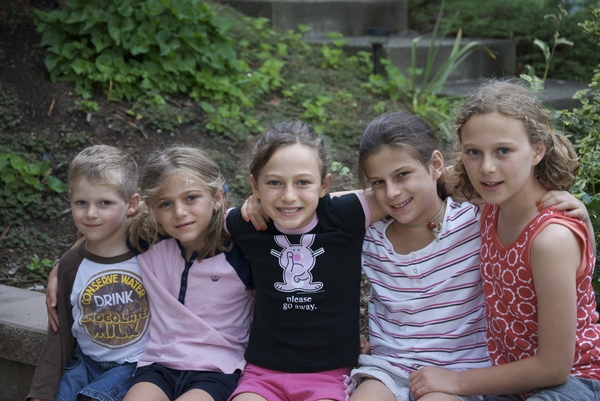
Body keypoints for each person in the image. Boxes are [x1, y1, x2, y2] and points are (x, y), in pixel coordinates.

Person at [407, 79, 600, 400]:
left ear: (538, 149)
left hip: (575, 383)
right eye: (473, 152)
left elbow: (555, 367)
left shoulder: (550, 239)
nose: (486, 167)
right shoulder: (488, 199)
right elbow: (408, 187)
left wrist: (458, 381)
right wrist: (318, 204)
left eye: (504, 151)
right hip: (508, 376)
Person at [224, 120, 381, 401]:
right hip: (262, 374)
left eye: (303, 182)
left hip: (329, 375)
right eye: (274, 183)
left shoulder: (346, 216)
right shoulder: (247, 222)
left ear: (325, 184)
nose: (288, 196)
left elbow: (407, 189)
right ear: (255, 185)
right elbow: (200, 221)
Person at [122, 146, 254, 401]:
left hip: (218, 368)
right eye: (166, 204)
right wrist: (63, 268)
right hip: (159, 364)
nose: (179, 212)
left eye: (191, 198)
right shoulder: (148, 243)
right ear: (153, 210)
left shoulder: (241, 252)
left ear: (216, 197)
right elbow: (97, 236)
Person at [27, 145, 150, 401]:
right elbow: (58, 336)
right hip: (84, 363)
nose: (91, 214)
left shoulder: (151, 249)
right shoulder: (71, 264)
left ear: (132, 204)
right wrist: (40, 393)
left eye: (104, 203)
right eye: (81, 203)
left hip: (135, 366)